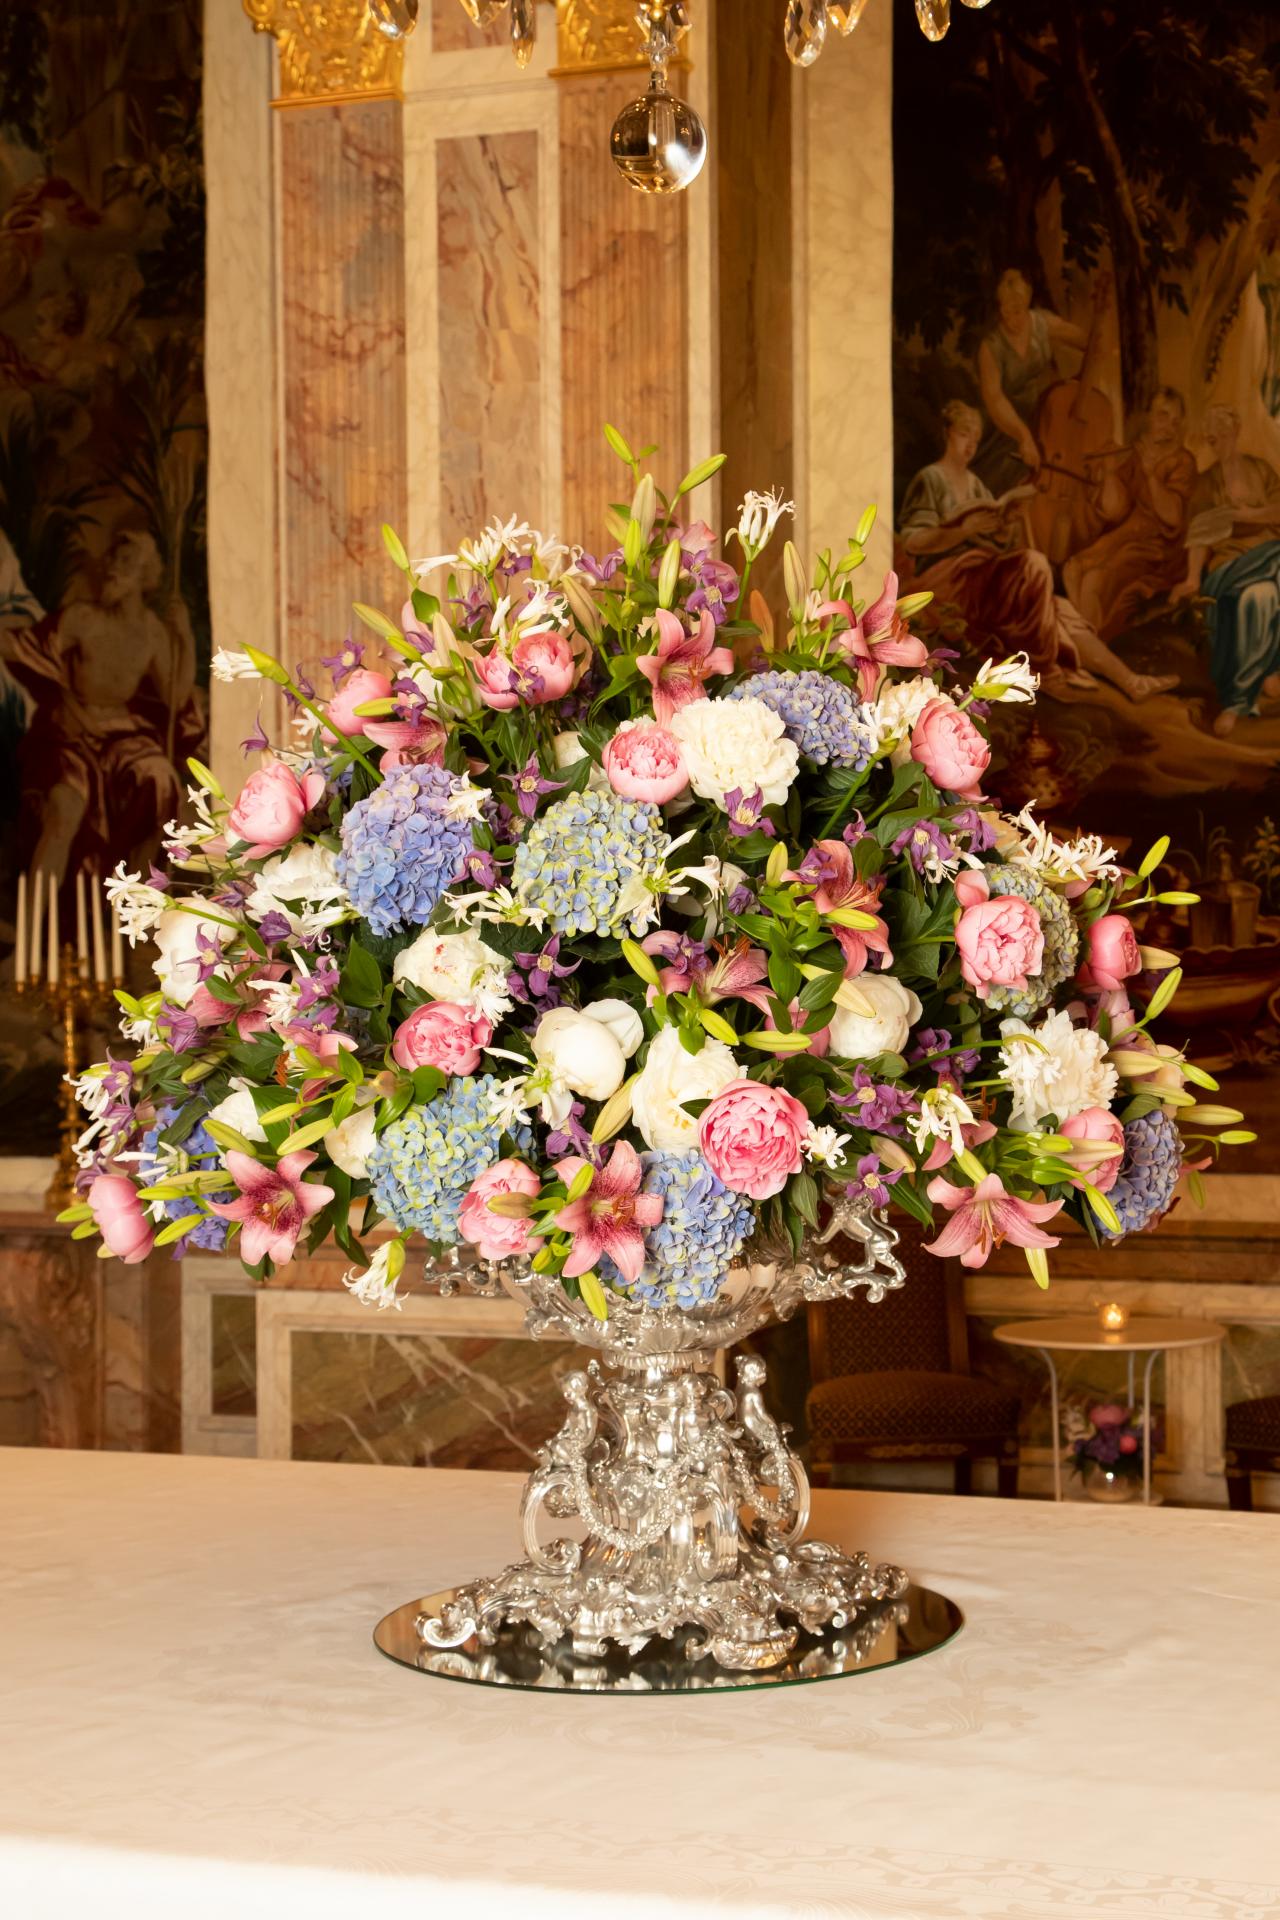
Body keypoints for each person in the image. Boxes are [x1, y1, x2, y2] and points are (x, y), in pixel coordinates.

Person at [897, 401, 1178, 704]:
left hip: (982, 577)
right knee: (1034, 565)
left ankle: (1130, 680)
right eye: (965, 435)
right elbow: (915, 541)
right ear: (947, 433)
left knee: (1057, 608)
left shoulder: (976, 484)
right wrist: (963, 531)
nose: (971, 446)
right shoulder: (931, 478)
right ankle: (1045, 672)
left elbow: (995, 544)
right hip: (949, 581)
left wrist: (1007, 522)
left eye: (976, 440)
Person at [0, 526, 199, 884]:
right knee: (65, 809)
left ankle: (129, 904)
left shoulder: (153, 632)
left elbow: (175, 695)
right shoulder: (83, 617)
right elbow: (29, 649)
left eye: (124, 562)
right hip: (70, 735)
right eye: (111, 559)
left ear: (144, 575)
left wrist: (184, 636)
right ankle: (38, 921)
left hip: (124, 738)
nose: (111, 568)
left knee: (162, 785)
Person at [1170, 404, 1280, 737]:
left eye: (1223, 435)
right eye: (1212, 439)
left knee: (1271, 589)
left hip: (1271, 553)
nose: (1219, 444)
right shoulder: (1207, 484)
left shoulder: (1260, 470)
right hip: (1230, 564)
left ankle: (1269, 670)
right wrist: (1191, 578)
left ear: (1235, 433)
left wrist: (1247, 516)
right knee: (1256, 598)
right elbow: (1199, 534)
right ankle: (1238, 700)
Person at [1062, 386, 1197, 645]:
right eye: (1162, 416)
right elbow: (1115, 510)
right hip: (1128, 534)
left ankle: (1089, 649)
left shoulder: (1183, 461)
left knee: (1094, 580)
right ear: (1147, 417)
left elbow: (1173, 517)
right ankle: (1084, 643)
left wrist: (1150, 474)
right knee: (1073, 568)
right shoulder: (1136, 453)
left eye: (1175, 421)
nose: (1168, 426)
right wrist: (1111, 472)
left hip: (1159, 549)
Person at [975, 269, 1090, 493]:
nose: (1011, 319)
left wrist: (1079, 381)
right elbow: (995, 399)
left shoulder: (1042, 324)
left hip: (1044, 418)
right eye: (1005, 311)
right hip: (1005, 427)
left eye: (1017, 311)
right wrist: (1023, 435)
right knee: (1003, 484)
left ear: (1027, 302)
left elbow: (1091, 343)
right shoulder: (990, 347)